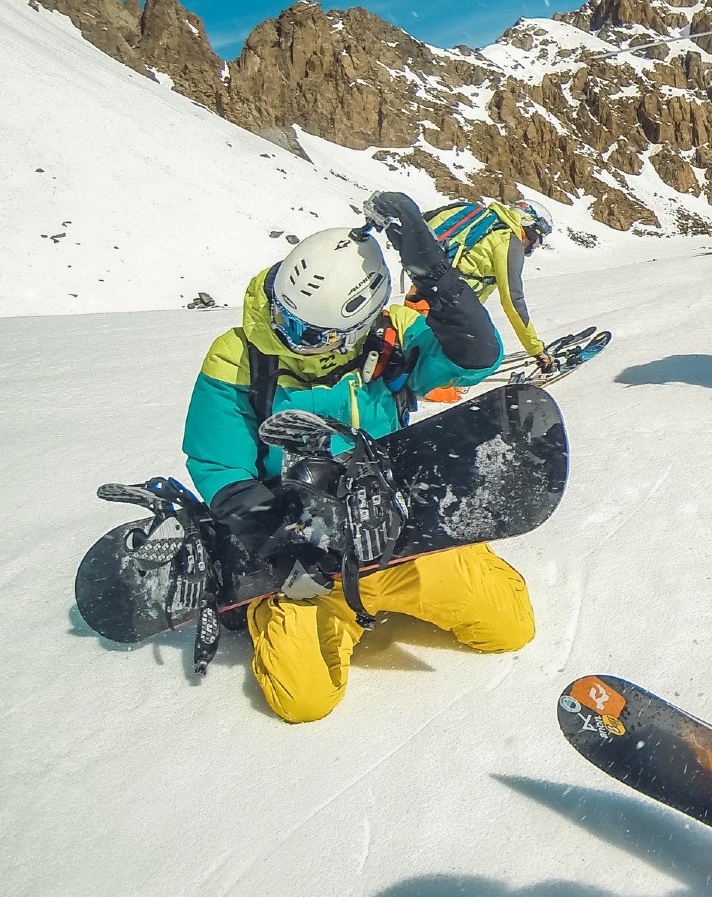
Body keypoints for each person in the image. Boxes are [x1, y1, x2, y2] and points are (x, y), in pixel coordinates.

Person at [181, 193, 535, 723]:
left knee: (510, 630)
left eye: (308, 334)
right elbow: (220, 464)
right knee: (303, 701)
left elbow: (477, 357)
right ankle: (268, 609)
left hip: (396, 536)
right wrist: (280, 542)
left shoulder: (394, 333)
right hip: (301, 555)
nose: (285, 337)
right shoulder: (239, 355)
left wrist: (432, 270)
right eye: (283, 316)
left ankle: (459, 561)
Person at [417, 197, 556, 378]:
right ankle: (433, 385)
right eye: (537, 239)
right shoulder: (508, 241)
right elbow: (513, 301)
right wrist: (535, 348)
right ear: (529, 226)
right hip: (445, 308)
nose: (534, 246)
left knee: (415, 350)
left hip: (423, 294)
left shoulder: (488, 225)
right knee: (489, 354)